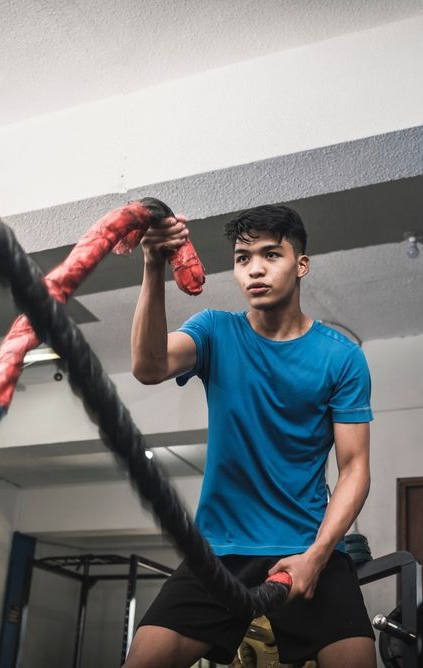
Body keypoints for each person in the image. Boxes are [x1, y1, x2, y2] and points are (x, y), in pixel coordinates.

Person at [124, 205, 375, 668]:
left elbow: (355, 468)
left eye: (271, 254)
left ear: (301, 264)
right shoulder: (215, 331)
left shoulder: (341, 358)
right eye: (243, 258)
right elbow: (148, 366)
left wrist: (318, 556)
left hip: (306, 544)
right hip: (219, 550)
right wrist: (152, 265)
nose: (255, 268)